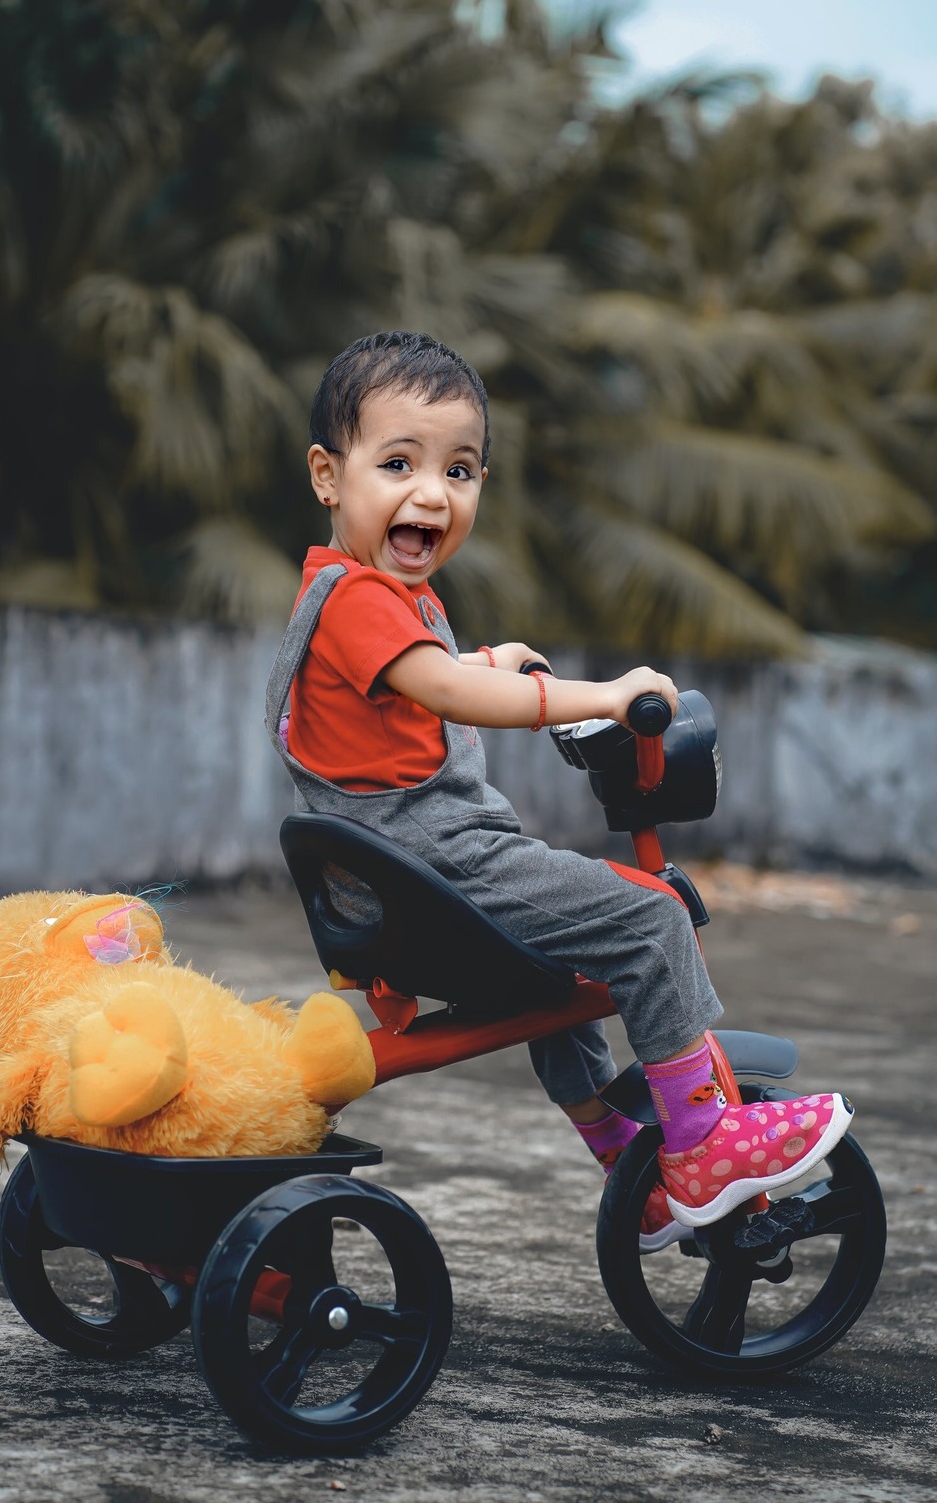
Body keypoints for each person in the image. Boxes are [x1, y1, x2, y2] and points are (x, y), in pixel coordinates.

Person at [265, 330, 853, 1250]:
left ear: (480, 488)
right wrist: (606, 695)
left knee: (570, 967)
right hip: (439, 873)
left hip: (396, 884)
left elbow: (424, 680)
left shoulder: (353, 592)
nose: (431, 492)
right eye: (397, 462)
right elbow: (452, 693)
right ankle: (700, 1144)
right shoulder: (361, 602)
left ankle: (625, 1155)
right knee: (647, 917)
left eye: (459, 471)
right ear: (328, 476)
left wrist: (487, 654)